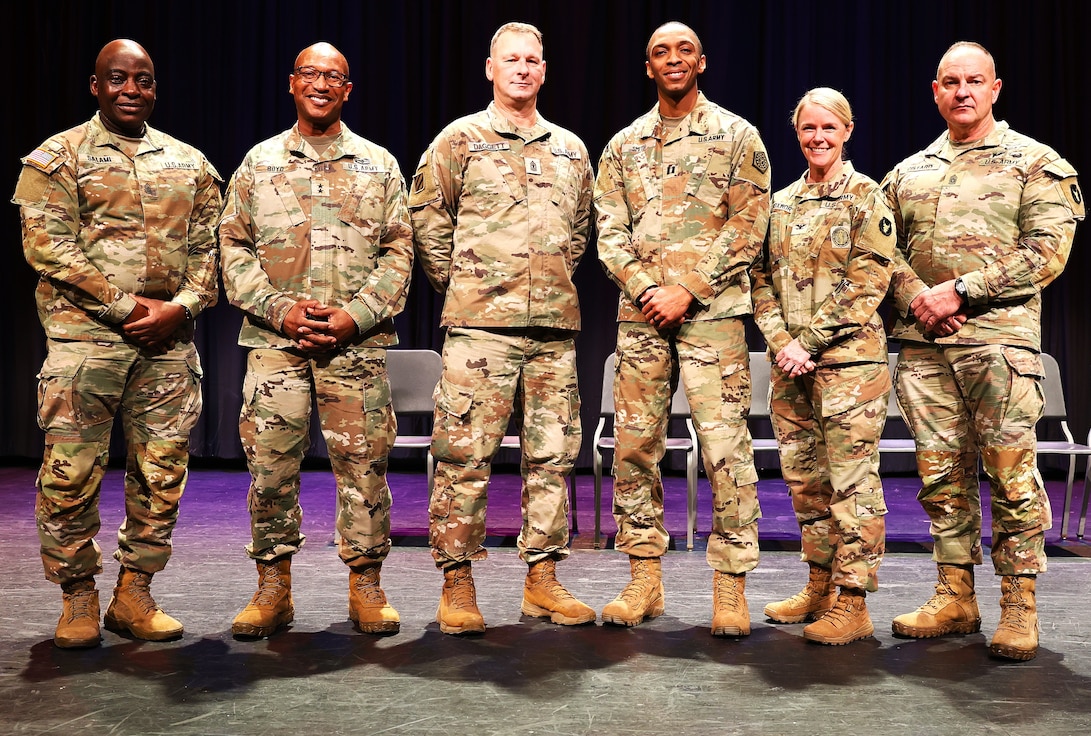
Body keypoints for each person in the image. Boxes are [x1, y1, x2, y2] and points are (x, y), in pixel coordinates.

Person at [12, 39, 222, 648]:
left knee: (162, 474)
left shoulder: (190, 163)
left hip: (168, 345)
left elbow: (213, 250)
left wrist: (180, 306)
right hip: (86, 342)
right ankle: (77, 597)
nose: (132, 89)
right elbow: (48, 246)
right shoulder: (57, 157)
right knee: (71, 473)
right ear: (96, 86)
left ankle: (135, 594)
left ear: (156, 89)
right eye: (119, 79)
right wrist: (124, 305)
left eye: (144, 80)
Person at [882, 41, 1083, 661]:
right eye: (950, 81)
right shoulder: (909, 172)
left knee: (1010, 474)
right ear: (935, 91)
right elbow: (878, 254)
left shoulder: (1036, 163)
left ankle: (1019, 604)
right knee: (940, 478)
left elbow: (1048, 250)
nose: (962, 91)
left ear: (996, 88)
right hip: (924, 351)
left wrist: (962, 292)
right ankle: (955, 594)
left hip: (998, 347)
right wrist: (919, 296)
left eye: (975, 81)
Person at [218, 42, 414, 638]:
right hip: (277, 345)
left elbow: (400, 251)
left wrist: (357, 314)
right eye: (311, 73)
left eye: (334, 76)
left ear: (348, 89)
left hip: (356, 347)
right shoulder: (260, 163)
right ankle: (272, 588)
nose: (321, 83)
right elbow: (232, 249)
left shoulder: (379, 165)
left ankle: (366, 585)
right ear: (292, 83)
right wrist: (279, 309)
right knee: (270, 468)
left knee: (364, 468)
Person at [408, 21, 594, 635]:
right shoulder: (458, 141)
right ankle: (457, 583)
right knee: (464, 456)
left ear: (544, 71)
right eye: (510, 59)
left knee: (552, 457)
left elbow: (581, 233)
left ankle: (542, 580)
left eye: (532, 60)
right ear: (490, 68)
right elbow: (428, 223)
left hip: (551, 332)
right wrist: (465, 285)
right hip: (480, 330)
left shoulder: (570, 150)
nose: (522, 68)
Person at [594, 21, 771, 636]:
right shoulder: (622, 146)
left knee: (726, 451)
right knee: (636, 449)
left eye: (684, 50)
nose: (673, 59)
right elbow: (608, 232)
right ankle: (644, 577)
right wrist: (647, 289)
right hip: (640, 319)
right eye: (660, 53)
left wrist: (688, 290)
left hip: (713, 319)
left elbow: (749, 226)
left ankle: (731, 586)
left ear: (702, 61)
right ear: (649, 68)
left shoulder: (738, 136)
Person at [751, 88, 896, 645]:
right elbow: (758, 279)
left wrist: (807, 341)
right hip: (791, 367)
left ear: (848, 131)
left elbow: (868, 282)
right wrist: (783, 340)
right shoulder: (781, 203)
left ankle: (853, 602)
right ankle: (820, 585)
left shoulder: (866, 197)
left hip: (848, 367)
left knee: (852, 485)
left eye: (829, 128)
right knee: (806, 483)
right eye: (809, 128)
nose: (818, 138)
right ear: (797, 133)